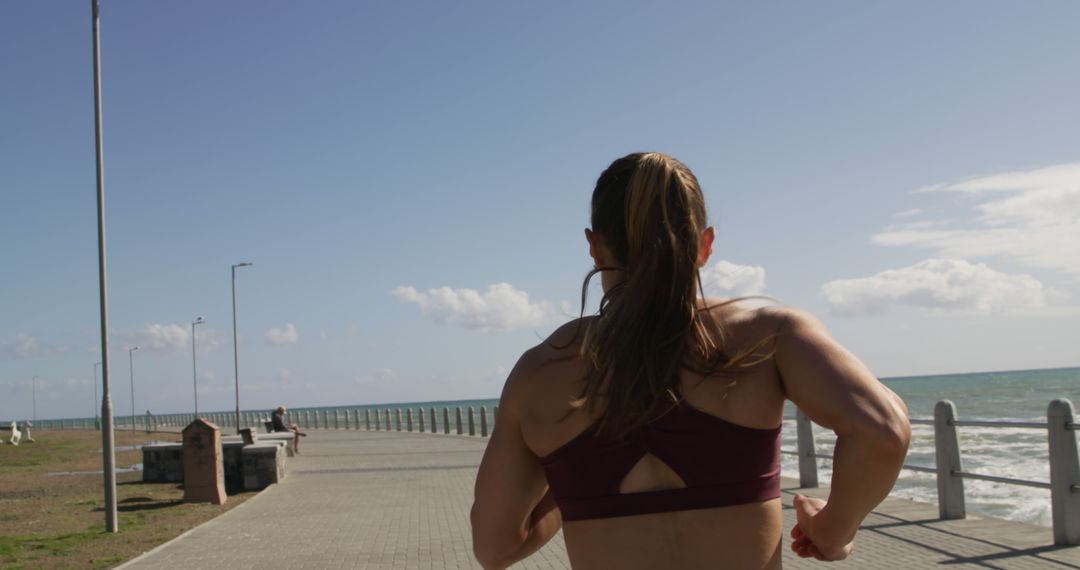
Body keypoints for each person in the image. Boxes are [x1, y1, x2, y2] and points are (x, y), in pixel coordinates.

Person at [470, 152, 911, 569]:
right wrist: (833, 530)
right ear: (705, 244)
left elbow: (495, 549)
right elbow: (883, 431)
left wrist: (572, 482)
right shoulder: (769, 336)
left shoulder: (540, 372)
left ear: (596, 247)